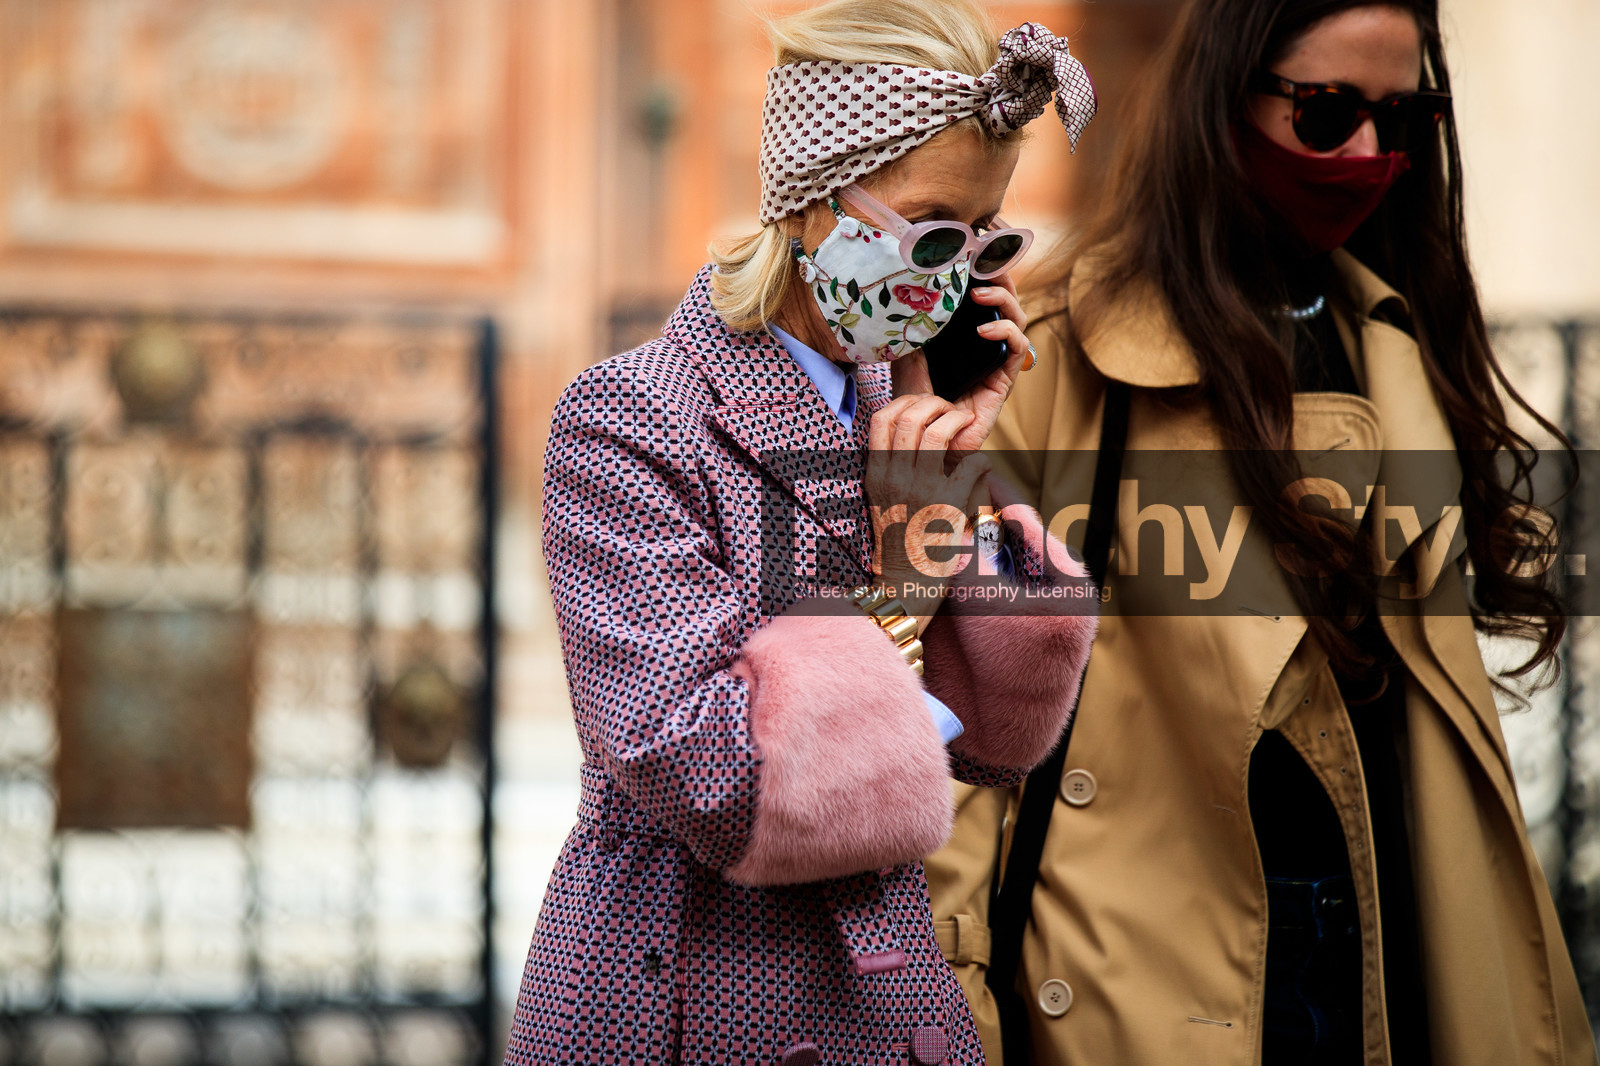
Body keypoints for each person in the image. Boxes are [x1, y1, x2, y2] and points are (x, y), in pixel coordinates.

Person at [926, 0, 1599, 1064]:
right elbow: (954, 739)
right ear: (1220, 101)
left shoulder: (1395, 342)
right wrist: (951, 1015)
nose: (1369, 154)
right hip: (1144, 980)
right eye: (1327, 114)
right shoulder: (1051, 358)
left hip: (1389, 952)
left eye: (1401, 117)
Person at [504, 2, 1099, 1062]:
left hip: (885, 993)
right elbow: (709, 772)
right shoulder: (629, 417)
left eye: (982, 238)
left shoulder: (893, 405)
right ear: (812, 203)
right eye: (928, 232)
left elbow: (1000, 738)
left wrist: (964, 459)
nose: (953, 274)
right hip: (686, 986)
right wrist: (906, 569)